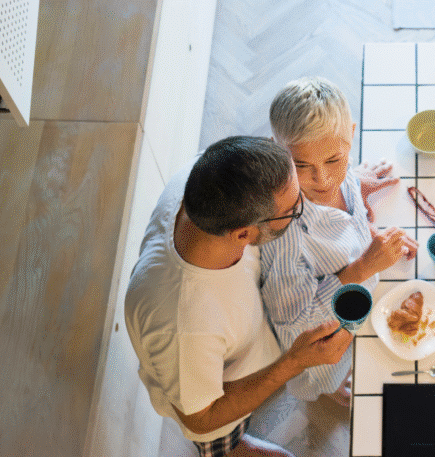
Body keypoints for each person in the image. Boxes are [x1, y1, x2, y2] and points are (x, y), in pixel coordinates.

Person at [125, 136, 353, 457]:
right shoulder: (186, 325)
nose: (302, 205)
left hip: (246, 341)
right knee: (222, 439)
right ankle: (235, 448)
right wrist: (296, 361)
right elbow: (201, 417)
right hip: (211, 407)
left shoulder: (209, 178)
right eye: (293, 209)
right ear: (243, 234)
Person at [260, 76, 417, 406]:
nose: (322, 179)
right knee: (333, 372)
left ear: (352, 135)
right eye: (301, 165)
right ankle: (332, 390)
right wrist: (364, 267)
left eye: (333, 159)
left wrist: (362, 196)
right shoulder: (284, 237)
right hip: (323, 354)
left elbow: (346, 202)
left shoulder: (348, 178)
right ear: (276, 150)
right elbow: (297, 326)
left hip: (360, 305)